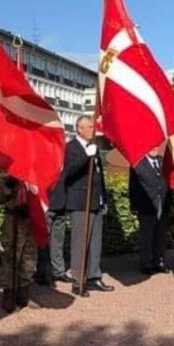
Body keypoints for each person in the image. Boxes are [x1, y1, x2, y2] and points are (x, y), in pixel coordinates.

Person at [64, 115, 113, 296]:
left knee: (95, 242)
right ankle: (77, 281)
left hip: (95, 201)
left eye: (92, 126)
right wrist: (86, 156)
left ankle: (93, 276)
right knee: (80, 243)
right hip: (80, 202)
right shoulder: (72, 148)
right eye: (89, 126)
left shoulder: (94, 148)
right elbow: (70, 171)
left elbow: (99, 177)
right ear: (79, 129)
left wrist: (104, 199)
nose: (93, 129)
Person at [0, 172, 40, 311]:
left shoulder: (33, 169)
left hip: (31, 218)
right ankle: (9, 296)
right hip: (13, 219)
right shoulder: (6, 170)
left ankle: (23, 295)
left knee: (29, 258)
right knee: (11, 257)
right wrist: (9, 183)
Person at [130, 145, 171, 276]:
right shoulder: (138, 163)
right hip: (146, 205)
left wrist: (171, 203)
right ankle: (146, 264)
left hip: (163, 205)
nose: (154, 148)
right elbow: (133, 186)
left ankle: (158, 262)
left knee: (160, 235)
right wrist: (134, 205)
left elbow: (169, 183)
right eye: (151, 146)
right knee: (147, 236)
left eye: (156, 146)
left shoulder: (163, 161)